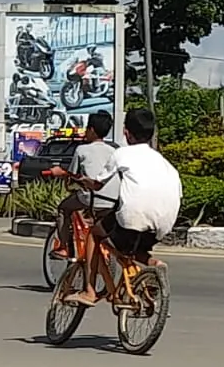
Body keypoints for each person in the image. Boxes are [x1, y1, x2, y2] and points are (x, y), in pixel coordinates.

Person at [65, 108, 180, 307]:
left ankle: (89, 291)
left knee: (94, 234)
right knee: (132, 247)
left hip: (133, 216)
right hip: (164, 222)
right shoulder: (165, 163)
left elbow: (97, 184)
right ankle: (155, 265)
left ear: (126, 133)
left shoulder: (122, 154)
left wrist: (82, 180)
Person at [43, 111, 118, 258]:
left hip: (91, 197)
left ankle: (64, 247)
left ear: (91, 130)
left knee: (63, 208)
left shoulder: (82, 150)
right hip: (114, 200)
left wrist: (62, 175)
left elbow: (72, 175)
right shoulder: (114, 151)